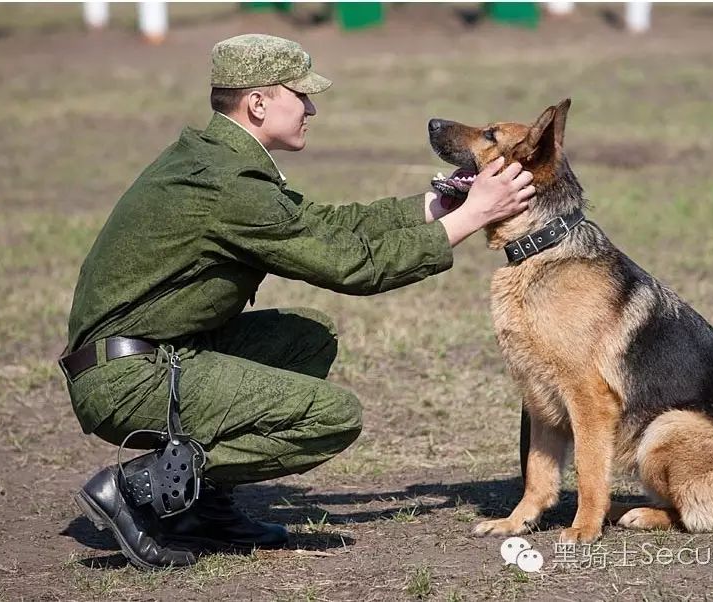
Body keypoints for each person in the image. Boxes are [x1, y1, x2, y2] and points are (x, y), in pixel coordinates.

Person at [59, 33, 535, 569]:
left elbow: (326, 228)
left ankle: (201, 511)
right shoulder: (229, 184)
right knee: (331, 417)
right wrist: (472, 218)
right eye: (300, 94)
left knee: (305, 339)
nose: (311, 107)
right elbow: (351, 266)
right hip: (128, 379)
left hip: (149, 355)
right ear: (258, 103)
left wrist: (443, 203)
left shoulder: (218, 159)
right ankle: (137, 489)